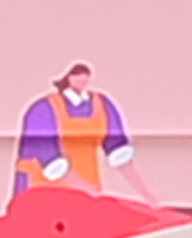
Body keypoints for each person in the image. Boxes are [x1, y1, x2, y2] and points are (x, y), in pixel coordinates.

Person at [16, 66, 148, 202]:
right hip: (42, 192)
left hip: (88, 187)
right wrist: (88, 189)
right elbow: (51, 162)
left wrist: (148, 198)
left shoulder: (103, 104)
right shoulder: (43, 109)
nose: (82, 78)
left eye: (85, 74)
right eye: (77, 74)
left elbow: (121, 156)